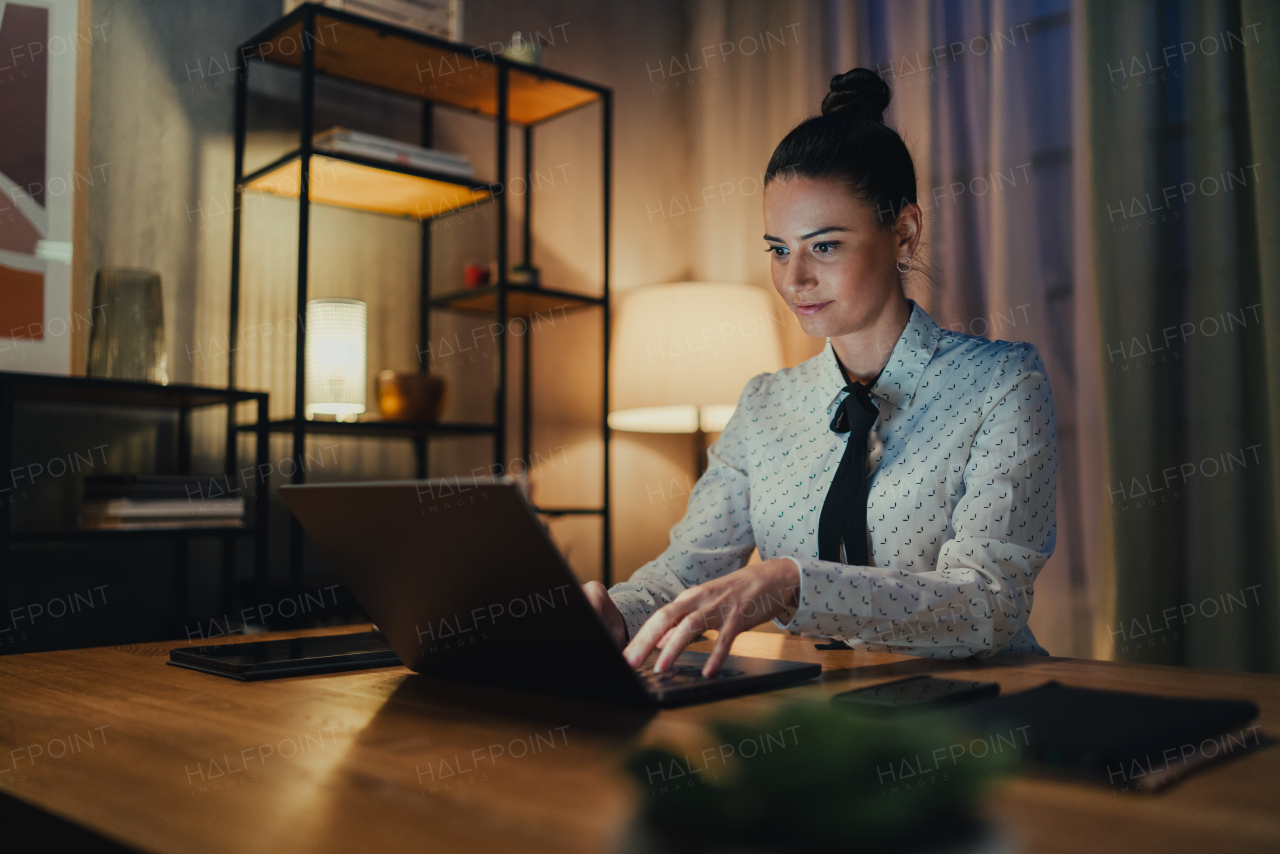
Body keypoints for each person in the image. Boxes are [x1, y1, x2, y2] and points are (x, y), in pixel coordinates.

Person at [583, 67, 1057, 677]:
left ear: (905, 233)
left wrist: (795, 585)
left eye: (824, 246)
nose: (793, 278)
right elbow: (685, 573)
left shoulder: (1004, 384)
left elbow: (989, 605)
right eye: (778, 249)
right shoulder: (765, 405)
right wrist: (613, 615)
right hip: (818, 719)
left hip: (982, 713)